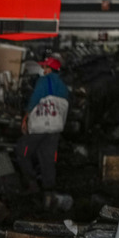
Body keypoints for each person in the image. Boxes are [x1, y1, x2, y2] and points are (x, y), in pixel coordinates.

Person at [16, 56, 69, 192]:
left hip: (41, 125)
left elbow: (35, 98)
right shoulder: (62, 85)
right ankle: (49, 189)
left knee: (23, 150)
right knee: (48, 156)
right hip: (55, 126)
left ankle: (32, 182)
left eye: (45, 67)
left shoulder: (44, 80)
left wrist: (26, 117)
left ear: (50, 69)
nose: (43, 69)